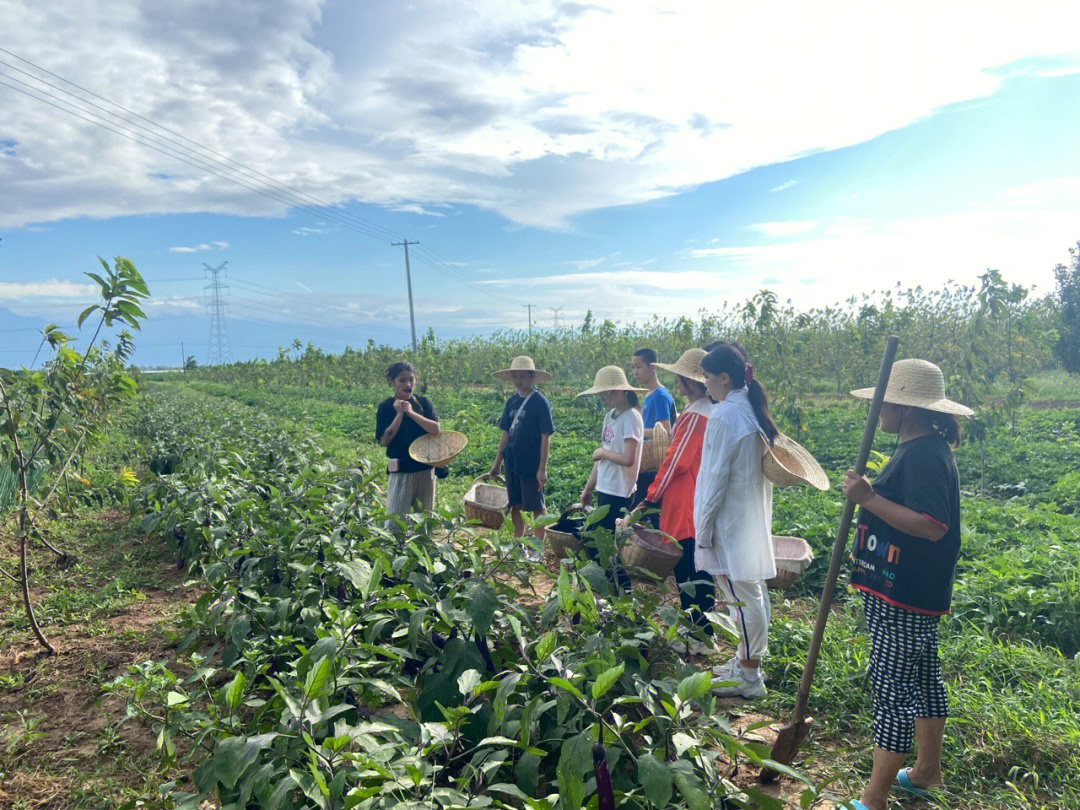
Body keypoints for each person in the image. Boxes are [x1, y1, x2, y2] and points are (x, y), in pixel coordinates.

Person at [841, 359, 972, 810]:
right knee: (924, 678)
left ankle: (873, 799)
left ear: (906, 407)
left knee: (892, 690)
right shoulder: (921, 446)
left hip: (906, 596)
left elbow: (932, 526)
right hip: (907, 590)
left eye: (884, 403)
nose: (878, 412)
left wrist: (869, 499)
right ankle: (925, 771)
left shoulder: (925, 456)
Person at [694, 342, 780, 698]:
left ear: (725, 378)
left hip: (729, 522)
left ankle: (749, 676)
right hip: (746, 518)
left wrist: (704, 528)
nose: (706, 386)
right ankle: (747, 661)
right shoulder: (747, 410)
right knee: (751, 593)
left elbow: (714, 479)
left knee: (741, 598)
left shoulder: (725, 416)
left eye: (708, 379)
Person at [627, 348, 715, 655]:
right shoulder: (708, 411)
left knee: (688, 573)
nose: (675, 382)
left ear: (687, 382)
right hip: (697, 501)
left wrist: (650, 497)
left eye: (679, 377)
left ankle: (698, 635)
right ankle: (703, 632)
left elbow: (675, 460)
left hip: (684, 504)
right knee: (699, 570)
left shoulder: (694, 415)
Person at [578, 366, 645, 590]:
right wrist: (589, 488)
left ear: (619, 392)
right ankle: (610, 590)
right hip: (605, 488)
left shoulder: (631, 418)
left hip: (620, 491)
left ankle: (621, 590)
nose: (603, 399)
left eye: (605, 394)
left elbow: (628, 458)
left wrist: (602, 453)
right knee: (601, 544)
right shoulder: (610, 416)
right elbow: (601, 460)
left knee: (611, 547)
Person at [487, 356, 555, 557]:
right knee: (515, 503)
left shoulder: (539, 402)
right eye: (515, 376)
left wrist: (542, 468)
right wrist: (497, 463)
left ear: (532, 376)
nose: (518, 380)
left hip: (531, 463)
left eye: (522, 376)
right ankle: (519, 544)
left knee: (536, 506)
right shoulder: (511, 402)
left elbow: (545, 436)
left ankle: (538, 547)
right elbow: (505, 434)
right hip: (512, 461)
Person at [375, 361, 441, 518]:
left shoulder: (423, 403)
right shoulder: (386, 406)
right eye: (402, 380)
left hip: (425, 469)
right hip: (402, 471)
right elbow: (384, 440)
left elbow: (435, 429)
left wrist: (411, 413)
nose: (408, 384)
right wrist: (399, 414)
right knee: (395, 521)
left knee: (424, 521)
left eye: (411, 379)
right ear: (391, 382)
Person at [631, 349, 678, 525]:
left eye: (638, 367)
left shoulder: (659, 396)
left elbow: (663, 432)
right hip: (645, 462)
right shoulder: (649, 394)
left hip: (653, 465)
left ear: (652, 367)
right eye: (633, 367)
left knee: (644, 514)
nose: (635, 372)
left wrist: (637, 431)